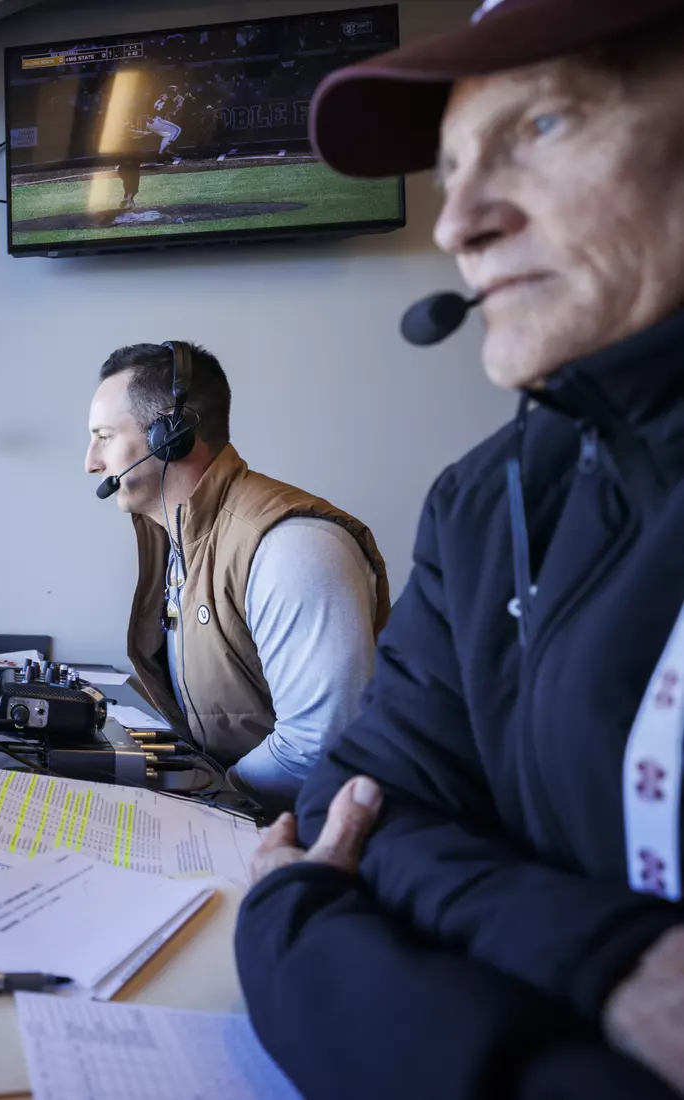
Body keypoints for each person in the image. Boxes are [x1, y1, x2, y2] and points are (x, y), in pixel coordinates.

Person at [235, 3, 684, 1097]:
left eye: (542, 125)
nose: (457, 223)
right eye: (449, 166)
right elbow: (368, 800)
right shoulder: (485, 501)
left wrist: (299, 928)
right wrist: (608, 957)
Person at [85, 340, 390, 810]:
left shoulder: (293, 549)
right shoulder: (175, 536)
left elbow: (318, 746)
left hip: (304, 830)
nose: (91, 462)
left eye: (104, 436)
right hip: (242, 811)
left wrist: (203, 797)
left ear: (172, 434)